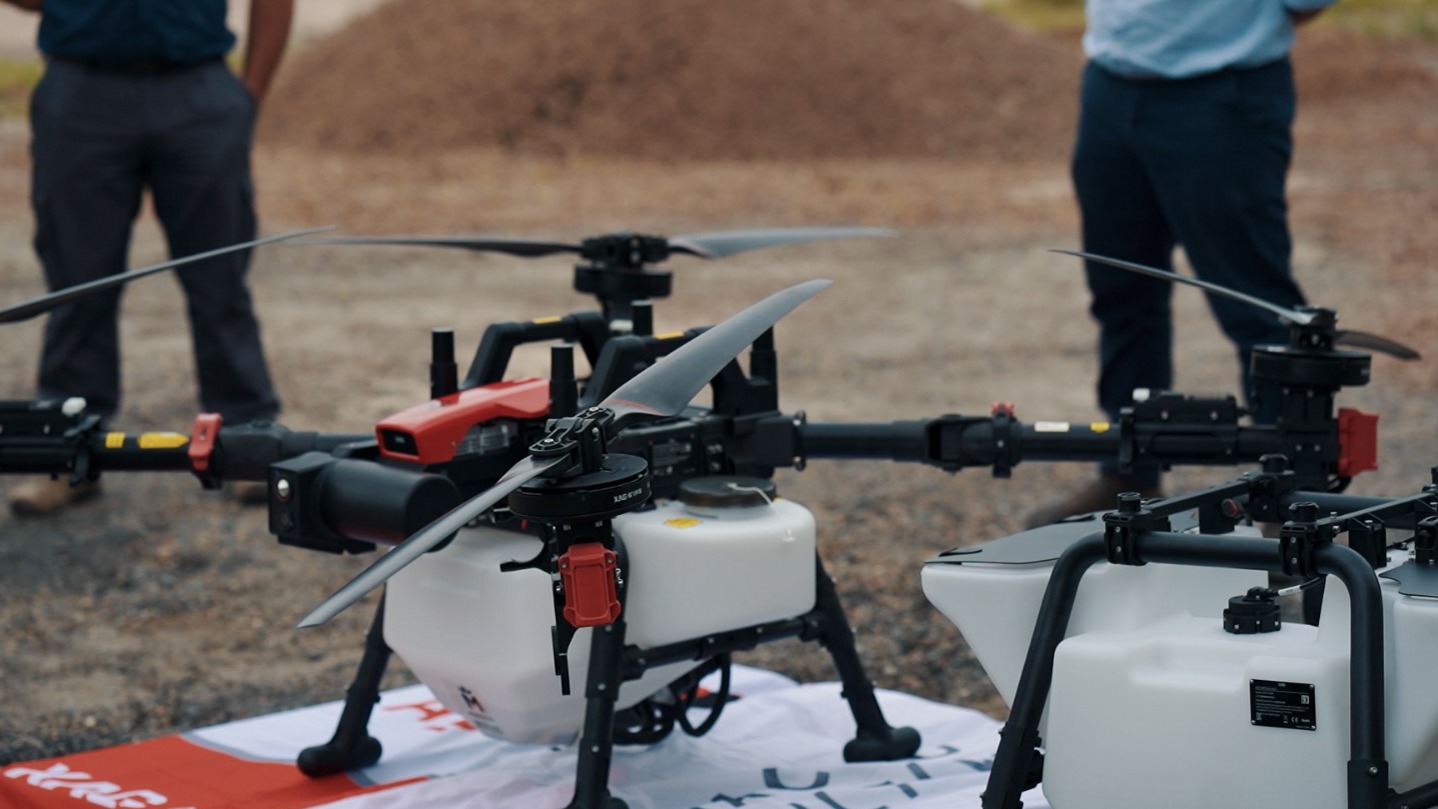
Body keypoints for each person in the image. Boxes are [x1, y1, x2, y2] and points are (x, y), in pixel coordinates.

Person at [1025, 0, 1331, 527]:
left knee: (1255, 305)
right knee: (1122, 293)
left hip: (1220, 92)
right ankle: (1129, 473)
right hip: (1110, 86)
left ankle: (1291, 499)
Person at [3, 0, 294, 516]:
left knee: (219, 279)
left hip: (196, 89)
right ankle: (65, 455)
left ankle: (248, 443)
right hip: (82, 92)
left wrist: (247, 95)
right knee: (77, 284)